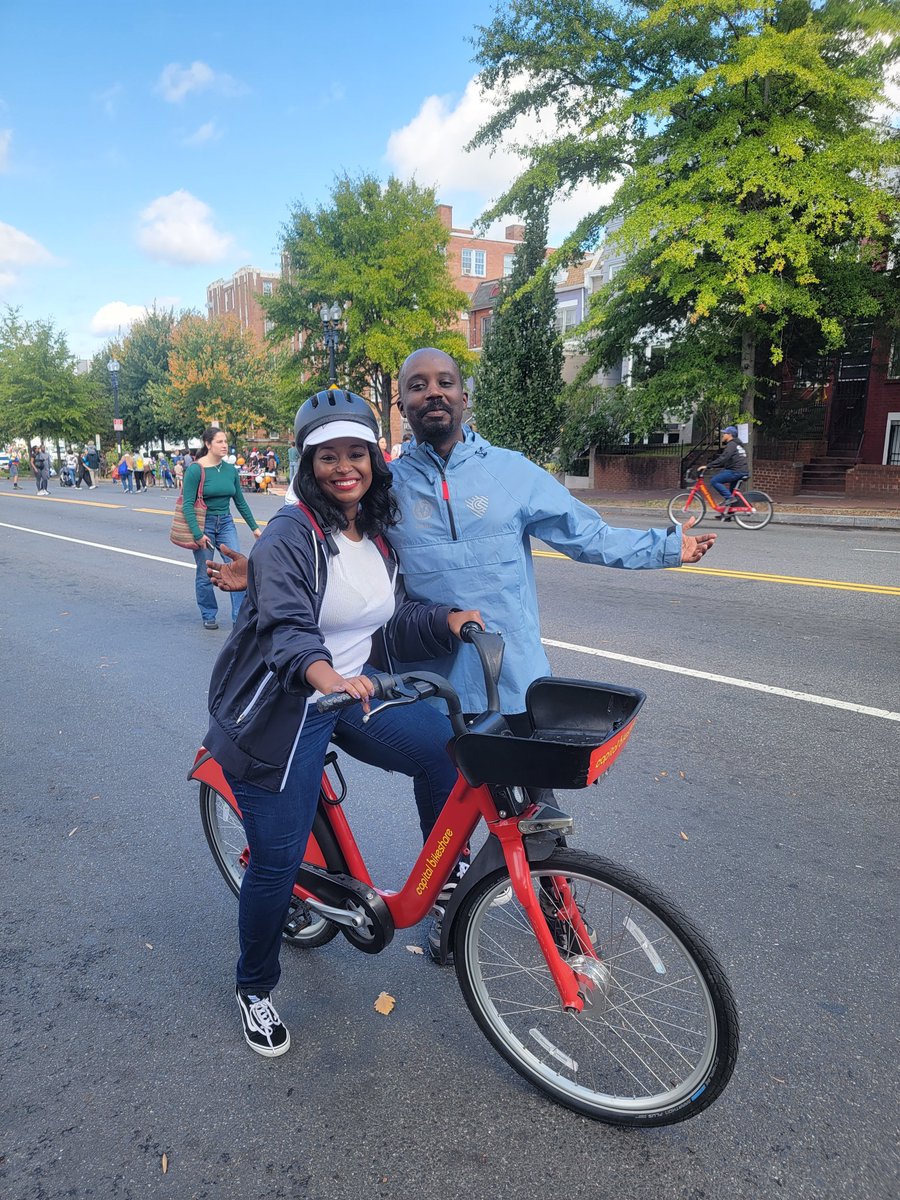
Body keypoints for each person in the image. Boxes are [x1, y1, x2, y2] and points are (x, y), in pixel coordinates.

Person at [209, 349, 716, 952]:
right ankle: (446, 902)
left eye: (444, 382)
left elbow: (588, 536)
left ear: (464, 394)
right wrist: (264, 568)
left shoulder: (511, 472)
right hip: (432, 684)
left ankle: (564, 934)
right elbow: (327, 535)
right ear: (402, 406)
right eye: (417, 387)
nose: (433, 394)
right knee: (442, 796)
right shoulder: (385, 484)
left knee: (534, 819)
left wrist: (665, 548)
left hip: (510, 678)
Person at [202, 390, 481, 1057]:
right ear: (308, 464)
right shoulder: (292, 532)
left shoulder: (373, 531)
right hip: (286, 709)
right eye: (328, 456)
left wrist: (448, 619)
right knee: (275, 859)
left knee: (447, 749)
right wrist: (326, 676)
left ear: (373, 462)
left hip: (350, 695)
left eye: (355, 452)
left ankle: (438, 886)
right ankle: (254, 988)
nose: (344, 467)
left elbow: (390, 614)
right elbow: (289, 632)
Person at [183, 427, 262, 630]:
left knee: (237, 568)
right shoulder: (195, 469)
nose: (224, 445)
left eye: (225, 441)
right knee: (204, 572)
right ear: (208, 444)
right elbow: (187, 504)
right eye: (219, 441)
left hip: (225, 523)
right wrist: (197, 534)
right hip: (204, 524)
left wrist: (254, 527)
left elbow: (240, 501)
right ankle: (208, 614)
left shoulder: (230, 470)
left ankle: (239, 617)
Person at [699, 426, 749, 519]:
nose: (723, 435)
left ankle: (730, 499)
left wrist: (708, 466)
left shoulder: (731, 445)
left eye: (725, 433)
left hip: (736, 471)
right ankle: (728, 514)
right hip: (741, 470)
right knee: (731, 492)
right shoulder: (737, 445)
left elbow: (723, 458)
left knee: (715, 481)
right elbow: (728, 460)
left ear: (730, 435)